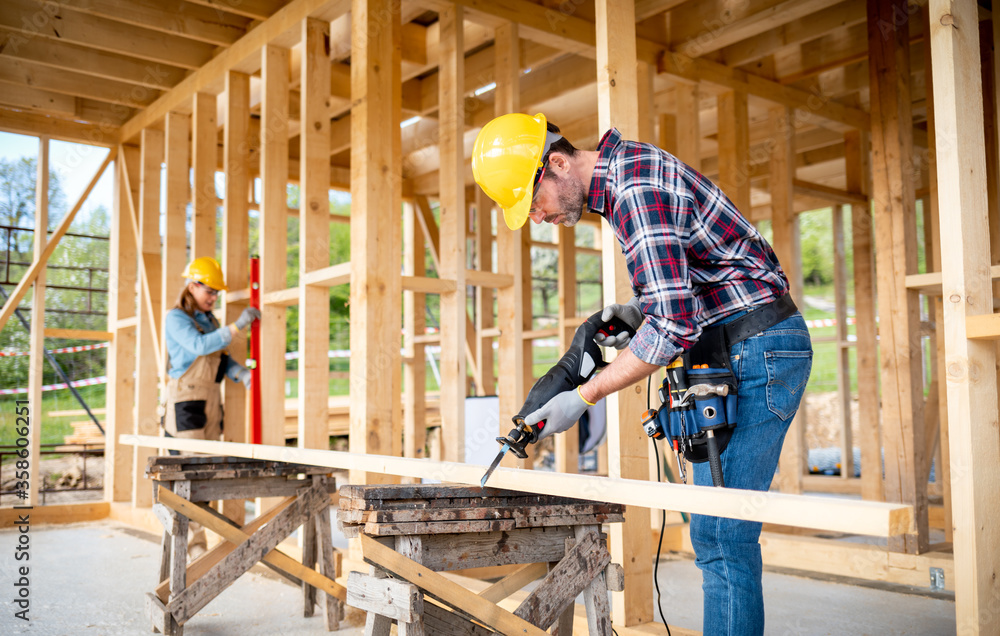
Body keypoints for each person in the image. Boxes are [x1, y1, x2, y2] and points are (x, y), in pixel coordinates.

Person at [472, 112, 812, 635]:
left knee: (723, 538)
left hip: (757, 348)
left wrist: (582, 397)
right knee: (718, 535)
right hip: (739, 344)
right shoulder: (629, 178)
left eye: (532, 200)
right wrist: (637, 311)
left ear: (557, 163)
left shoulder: (633, 190)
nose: (536, 217)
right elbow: (690, 281)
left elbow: (675, 325)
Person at [164, 256, 259, 556]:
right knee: (192, 472)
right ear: (192, 286)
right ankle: (196, 548)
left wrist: (239, 372)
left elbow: (219, 357)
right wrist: (238, 326)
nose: (214, 297)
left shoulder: (211, 321)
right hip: (186, 400)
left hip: (210, 402)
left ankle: (212, 544)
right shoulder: (176, 318)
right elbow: (200, 347)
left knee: (208, 470)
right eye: (210, 291)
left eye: (217, 292)